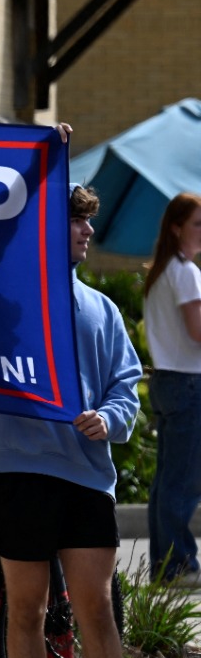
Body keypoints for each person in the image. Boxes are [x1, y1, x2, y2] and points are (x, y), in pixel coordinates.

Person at [0, 185, 165, 658]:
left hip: (86, 476)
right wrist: (34, 169)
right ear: (43, 227)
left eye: (88, 223)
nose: (88, 233)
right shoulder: (1, 297)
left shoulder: (102, 309)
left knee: (96, 608)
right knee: (26, 609)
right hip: (16, 471)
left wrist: (109, 419)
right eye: (75, 222)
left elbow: (124, 384)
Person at [140, 193, 201, 586]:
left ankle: (166, 563)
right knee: (183, 479)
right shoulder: (185, 272)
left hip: (166, 379)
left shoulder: (161, 272)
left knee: (167, 478)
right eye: (197, 223)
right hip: (188, 382)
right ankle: (178, 565)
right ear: (177, 227)